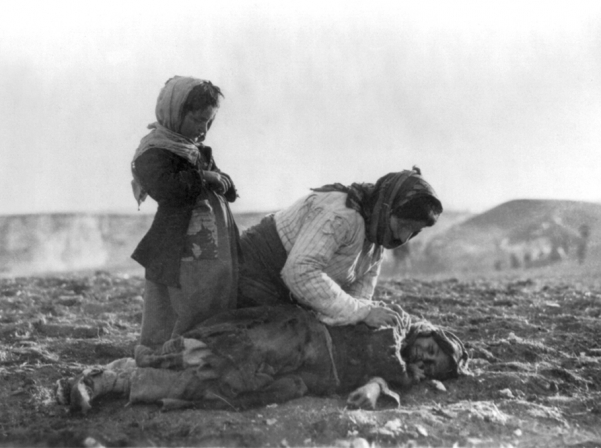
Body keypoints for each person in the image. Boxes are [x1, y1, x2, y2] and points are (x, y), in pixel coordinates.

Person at [56, 305, 470, 414]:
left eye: (433, 365)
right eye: (431, 350)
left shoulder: (399, 373)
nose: (424, 358)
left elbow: (380, 381)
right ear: (427, 333)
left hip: (306, 376)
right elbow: (384, 348)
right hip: (299, 338)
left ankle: (112, 384)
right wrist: (402, 373)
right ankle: (105, 376)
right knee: (221, 357)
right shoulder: (396, 323)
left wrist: (386, 384)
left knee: (224, 390)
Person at [237, 167, 443, 328]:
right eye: (404, 225)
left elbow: (358, 297)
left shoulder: (376, 241)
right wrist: (363, 314)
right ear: (387, 206)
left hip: (289, 291)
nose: (403, 237)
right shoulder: (341, 214)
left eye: (415, 231)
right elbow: (300, 272)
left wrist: (368, 315)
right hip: (255, 272)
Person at [130, 76, 240, 349]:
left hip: (211, 246)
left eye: (209, 122)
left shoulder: (197, 151)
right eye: (197, 120)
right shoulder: (153, 152)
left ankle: (201, 350)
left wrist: (224, 183)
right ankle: (164, 359)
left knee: (211, 298)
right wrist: (205, 177)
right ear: (174, 113)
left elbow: (224, 186)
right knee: (176, 307)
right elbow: (166, 189)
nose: (203, 129)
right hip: (177, 246)